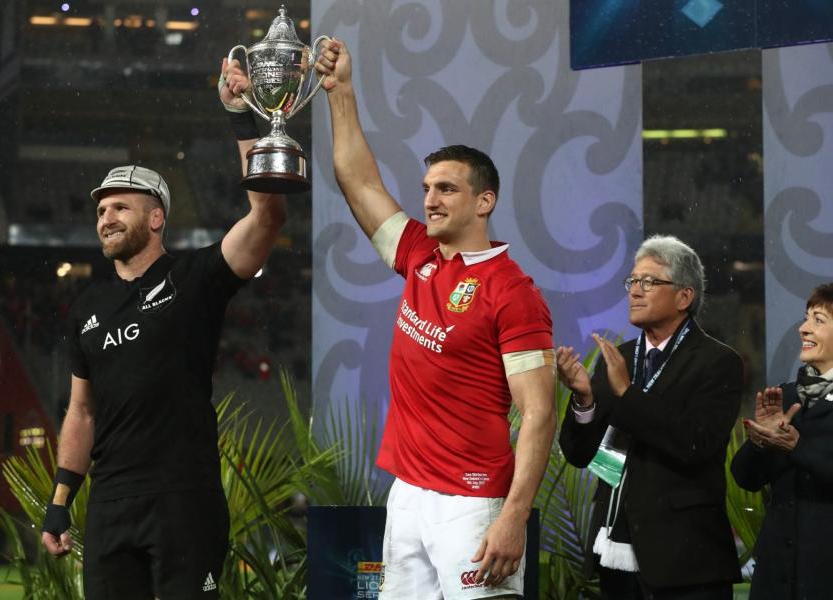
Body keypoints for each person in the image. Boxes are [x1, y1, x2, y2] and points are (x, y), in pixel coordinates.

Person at [314, 41, 556, 599]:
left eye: (446, 188)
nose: (430, 200)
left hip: (474, 500)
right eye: (426, 189)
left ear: (484, 201)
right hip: (408, 493)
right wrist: (341, 93)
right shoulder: (419, 253)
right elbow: (359, 181)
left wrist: (514, 517)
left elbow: (539, 414)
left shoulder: (513, 293)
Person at [39, 58, 286, 600]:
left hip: (183, 498)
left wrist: (239, 116)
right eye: (102, 209)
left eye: (121, 207)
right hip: (109, 504)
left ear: (156, 218)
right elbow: (81, 412)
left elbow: (267, 215)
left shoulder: (195, 276)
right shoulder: (88, 306)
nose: (106, 217)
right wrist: (60, 504)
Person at [556, 235, 742, 599]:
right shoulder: (618, 357)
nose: (635, 292)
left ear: (684, 297)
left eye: (649, 282)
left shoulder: (718, 362)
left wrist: (628, 395)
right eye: (632, 282)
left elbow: (695, 444)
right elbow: (579, 455)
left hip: (685, 562)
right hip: (616, 554)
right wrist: (584, 400)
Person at [730, 282, 833, 599]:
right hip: (776, 576)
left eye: (818, 320)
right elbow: (744, 477)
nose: (803, 328)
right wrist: (761, 440)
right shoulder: (786, 396)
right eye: (806, 318)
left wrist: (796, 447)